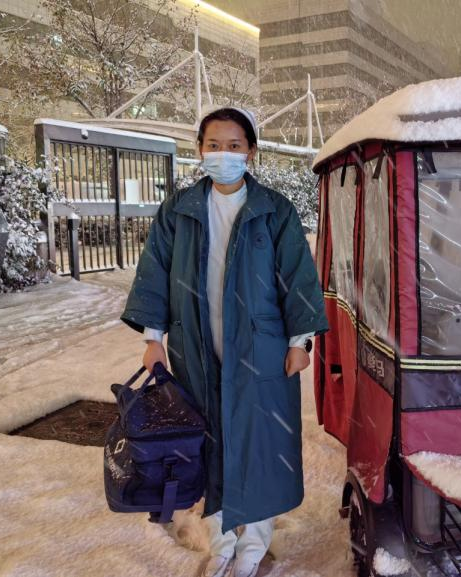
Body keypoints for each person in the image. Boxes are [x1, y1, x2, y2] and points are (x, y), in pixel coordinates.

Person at [120, 106, 329, 577]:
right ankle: (221, 542)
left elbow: (298, 276)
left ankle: (253, 544)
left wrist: (300, 341)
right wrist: (153, 337)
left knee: (258, 446)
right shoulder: (179, 210)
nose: (223, 154)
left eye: (234, 146)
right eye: (213, 145)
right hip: (196, 349)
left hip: (261, 351)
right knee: (208, 446)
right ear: (199, 150)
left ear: (250, 152)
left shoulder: (274, 210)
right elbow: (154, 272)